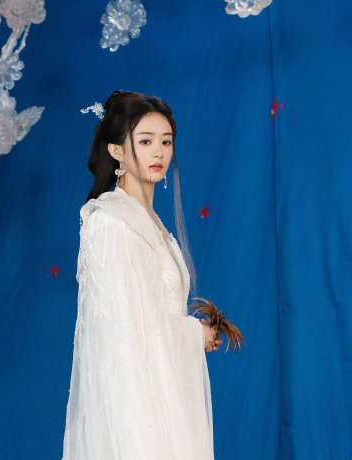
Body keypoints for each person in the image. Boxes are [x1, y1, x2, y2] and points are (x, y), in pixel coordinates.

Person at [62, 90, 223, 460]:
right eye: (146, 141)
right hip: (134, 407)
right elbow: (119, 335)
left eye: (166, 141)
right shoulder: (110, 221)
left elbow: (151, 313)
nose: (159, 152)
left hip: (166, 395)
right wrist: (191, 334)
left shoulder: (149, 221)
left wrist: (189, 333)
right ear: (116, 150)